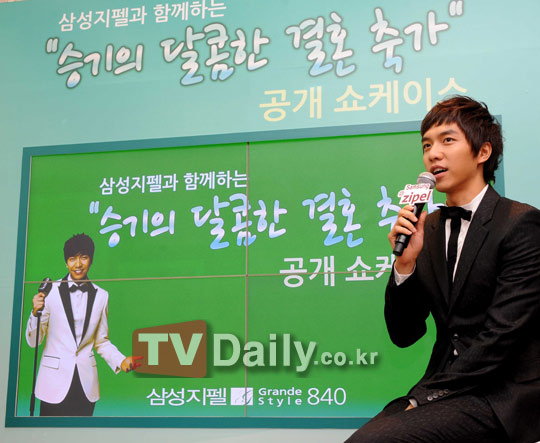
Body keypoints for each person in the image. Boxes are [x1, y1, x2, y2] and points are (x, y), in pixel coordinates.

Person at [346, 96, 540, 443]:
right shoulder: (428, 228)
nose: (433, 154)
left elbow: (501, 336)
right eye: (427, 145)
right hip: (445, 387)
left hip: (503, 395)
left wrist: (423, 399)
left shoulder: (520, 223)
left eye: (447, 140)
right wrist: (404, 264)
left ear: (482, 152)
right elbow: (404, 334)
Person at [26, 233, 140, 416]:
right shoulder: (50, 292)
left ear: (91, 260)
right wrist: (34, 313)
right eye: (72, 259)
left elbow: (101, 341)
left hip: (86, 385)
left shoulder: (102, 296)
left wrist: (121, 360)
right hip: (53, 384)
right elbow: (33, 341)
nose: (78, 264)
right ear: (66, 262)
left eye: (83, 257)